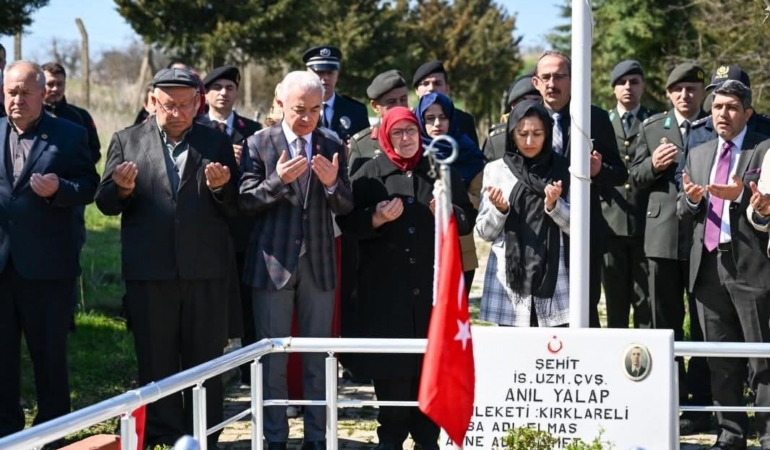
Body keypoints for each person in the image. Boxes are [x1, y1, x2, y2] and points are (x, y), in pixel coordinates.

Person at [95, 67, 239, 448]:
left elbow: (236, 207)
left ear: (197, 104)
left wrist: (221, 189)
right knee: (155, 358)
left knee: (204, 360)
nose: (175, 112)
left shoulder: (216, 142)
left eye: (184, 105)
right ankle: (162, 432)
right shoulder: (126, 140)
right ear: (151, 102)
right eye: (167, 104)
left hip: (203, 271)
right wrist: (122, 191)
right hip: (150, 271)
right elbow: (105, 203)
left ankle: (204, 434)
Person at [336, 106, 474, 450]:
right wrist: (376, 217)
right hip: (386, 297)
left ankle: (429, 440)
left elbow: (466, 220)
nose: (406, 139)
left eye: (411, 131)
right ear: (384, 137)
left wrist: (446, 212)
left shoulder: (438, 171)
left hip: (430, 298)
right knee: (394, 390)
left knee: (429, 381)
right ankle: (391, 439)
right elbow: (348, 224)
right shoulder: (368, 174)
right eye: (397, 133)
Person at [239, 71, 353, 450]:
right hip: (273, 265)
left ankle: (318, 440)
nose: (306, 118)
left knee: (318, 360)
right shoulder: (258, 143)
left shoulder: (333, 142)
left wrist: (334, 183)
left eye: (315, 110)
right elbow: (245, 201)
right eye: (299, 109)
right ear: (280, 102)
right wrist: (278, 181)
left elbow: (347, 205)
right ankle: (274, 440)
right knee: (271, 360)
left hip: (318, 264)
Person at [0, 61, 99, 438]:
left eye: (26, 92)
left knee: (49, 357)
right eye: (11, 92)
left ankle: (53, 431)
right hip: (2, 266)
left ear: (43, 92)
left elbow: (90, 185)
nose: (18, 99)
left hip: (48, 267)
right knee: (2, 357)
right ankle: (7, 430)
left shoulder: (70, 135)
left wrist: (60, 189)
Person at [679, 79, 770, 450]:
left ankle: (766, 433)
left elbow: (763, 206)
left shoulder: (761, 150)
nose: (723, 114)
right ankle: (730, 432)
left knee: (761, 356)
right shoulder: (699, 153)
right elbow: (684, 212)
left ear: (747, 112)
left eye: (732, 107)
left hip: (751, 265)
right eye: (717, 107)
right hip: (708, 267)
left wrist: (743, 201)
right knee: (719, 358)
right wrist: (690, 201)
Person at [629, 62, 710, 434]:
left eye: (692, 88)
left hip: (702, 237)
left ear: (702, 92)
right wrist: (653, 164)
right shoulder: (651, 128)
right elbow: (633, 178)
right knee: (666, 324)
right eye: (678, 89)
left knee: (706, 324)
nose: (685, 95)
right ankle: (667, 399)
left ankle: (700, 405)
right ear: (668, 94)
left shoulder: (714, 126)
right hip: (660, 238)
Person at [531, 50, 627, 327]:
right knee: (540, 313)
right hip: (539, 231)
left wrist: (598, 171)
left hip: (584, 233)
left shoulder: (593, 118)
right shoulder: (526, 119)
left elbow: (620, 173)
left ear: (572, 81)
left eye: (560, 76)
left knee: (584, 309)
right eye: (546, 77)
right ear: (536, 82)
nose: (552, 83)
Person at [476, 101, 570, 327]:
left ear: (547, 134)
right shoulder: (496, 170)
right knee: (513, 357)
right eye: (522, 133)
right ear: (511, 134)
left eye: (537, 133)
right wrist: (500, 211)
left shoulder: (563, 169)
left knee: (552, 355)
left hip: (553, 279)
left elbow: (577, 227)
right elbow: (484, 232)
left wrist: (553, 205)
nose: (529, 141)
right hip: (509, 283)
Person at [202, 65, 262, 384]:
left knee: (247, 301)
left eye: (230, 87)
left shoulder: (251, 130)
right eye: (217, 88)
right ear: (205, 93)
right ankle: (212, 374)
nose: (224, 93)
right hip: (205, 229)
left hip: (243, 230)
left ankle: (250, 372)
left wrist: (245, 162)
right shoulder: (194, 127)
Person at [601, 60, 655, 329]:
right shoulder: (601, 122)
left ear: (642, 86)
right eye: (622, 82)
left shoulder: (655, 122)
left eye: (634, 82)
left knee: (645, 302)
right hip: (610, 224)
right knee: (615, 302)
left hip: (645, 224)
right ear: (614, 89)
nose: (628, 87)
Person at [416, 92, 484, 292]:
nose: (437, 123)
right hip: (421, 244)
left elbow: (478, 199)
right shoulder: (413, 153)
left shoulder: (467, 151)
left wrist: (452, 205)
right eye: (430, 118)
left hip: (460, 243)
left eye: (443, 117)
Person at [687, 65, 770, 152]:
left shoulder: (766, 129)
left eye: (732, 89)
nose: (723, 113)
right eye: (717, 89)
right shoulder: (698, 132)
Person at [348, 69, 409, 176]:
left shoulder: (417, 136)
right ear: (375, 107)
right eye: (391, 102)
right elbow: (353, 189)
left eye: (403, 99)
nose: (399, 106)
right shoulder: (361, 145)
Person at [302, 45, 369, 141]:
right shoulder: (297, 109)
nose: (325, 78)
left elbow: (366, 148)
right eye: (320, 72)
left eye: (330, 73)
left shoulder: (356, 111)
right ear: (308, 73)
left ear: (337, 74)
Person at [41, 62, 101, 164]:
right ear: (41, 85)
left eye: (59, 84)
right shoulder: (32, 115)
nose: (55, 89)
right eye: (50, 84)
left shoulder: (81, 116)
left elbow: (94, 151)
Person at [412, 60, 479, 146]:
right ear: (417, 90)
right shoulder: (410, 122)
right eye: (425, 84)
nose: (431, 88)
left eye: (437, 83)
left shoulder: (464, 121)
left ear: (447, 89)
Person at [482, 75, 542, 162]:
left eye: (536, 100)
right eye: (523, 100)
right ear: (513, 106)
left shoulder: (552, 134)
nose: (529, 105)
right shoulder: (497, 140)